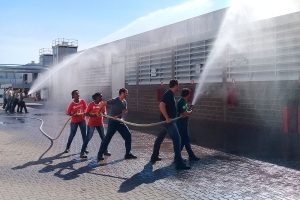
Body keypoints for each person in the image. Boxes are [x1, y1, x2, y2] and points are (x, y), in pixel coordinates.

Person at [150, 80, 190, 170]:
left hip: (168, 121)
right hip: (168, 122)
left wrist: (178, 115)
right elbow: (161, 105)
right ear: (175, 85)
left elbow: (171, 107)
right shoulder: (168, 94)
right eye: (178, 85)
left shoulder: (170, 94)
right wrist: (167, 117)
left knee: (159, 138)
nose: (178, 87)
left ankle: (154, 156)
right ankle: (178, 163)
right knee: (177, 139)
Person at [97, 88, 137, 162]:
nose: (127, 94)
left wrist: (120, 117)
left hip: (120, 122)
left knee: (128, 135)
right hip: (112, 123)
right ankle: (99, 155)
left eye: (127, 93)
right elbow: (102, 104)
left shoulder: (125, 102)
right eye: (126, 93)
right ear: (121, 93)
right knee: (107, 139)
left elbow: (125, 111)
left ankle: (128, 154)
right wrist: (99, 111)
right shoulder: (114, 100)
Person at [80, 92, 111, 158]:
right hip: (91, 124)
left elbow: (104, 111)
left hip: (100, 123)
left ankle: (105, 151)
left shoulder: (102, 104)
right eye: (100, 97)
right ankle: (82, 152)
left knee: (104, 138)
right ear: (96, 98)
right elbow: (86, 113)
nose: (101, 98)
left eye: (101, 96)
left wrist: (105, 114)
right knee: (88, 138)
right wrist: (94, 115)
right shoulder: (91, 104)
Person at [176, 88, 199, 161]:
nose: (189, 95)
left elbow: (185, 111)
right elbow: (184, 113)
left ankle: (190, 156)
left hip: (183, 123)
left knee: (185, 140)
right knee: (184, 140)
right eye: (189, 94)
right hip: (181, 124)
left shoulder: (183, 101)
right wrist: (190, 111)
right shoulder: (182, 102)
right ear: (187, 94)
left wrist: (189, 109)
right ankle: (178, 157)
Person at [64, 90, 88, 158]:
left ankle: (85, 148)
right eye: (76, 94)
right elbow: (67, 112)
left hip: (82, 120)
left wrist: (84, 112)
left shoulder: (82, 101)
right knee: (72, 134)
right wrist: (73, 114)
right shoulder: (72, 103)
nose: (78, 95)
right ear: (73, 96)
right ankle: (67, 147)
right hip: (74, 122)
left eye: (78, 94)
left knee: (84, 135)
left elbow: (86, 108)